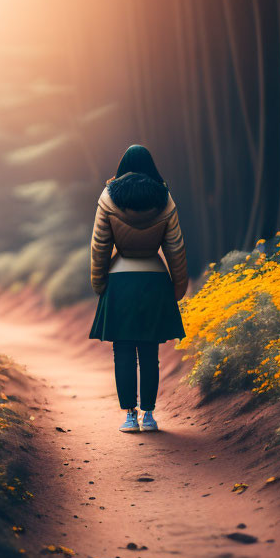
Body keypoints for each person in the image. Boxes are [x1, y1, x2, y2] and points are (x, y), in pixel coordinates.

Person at [88, 144, 188, 433]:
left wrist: (99, 283)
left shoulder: (108, 197)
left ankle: (129, 416)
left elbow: (100, 246)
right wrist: (178, 287)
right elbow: (175, 249)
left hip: (119, 282)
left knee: (122, 351)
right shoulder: (164, 198)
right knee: (149, 352)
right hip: (155, 281)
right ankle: (150, 415)